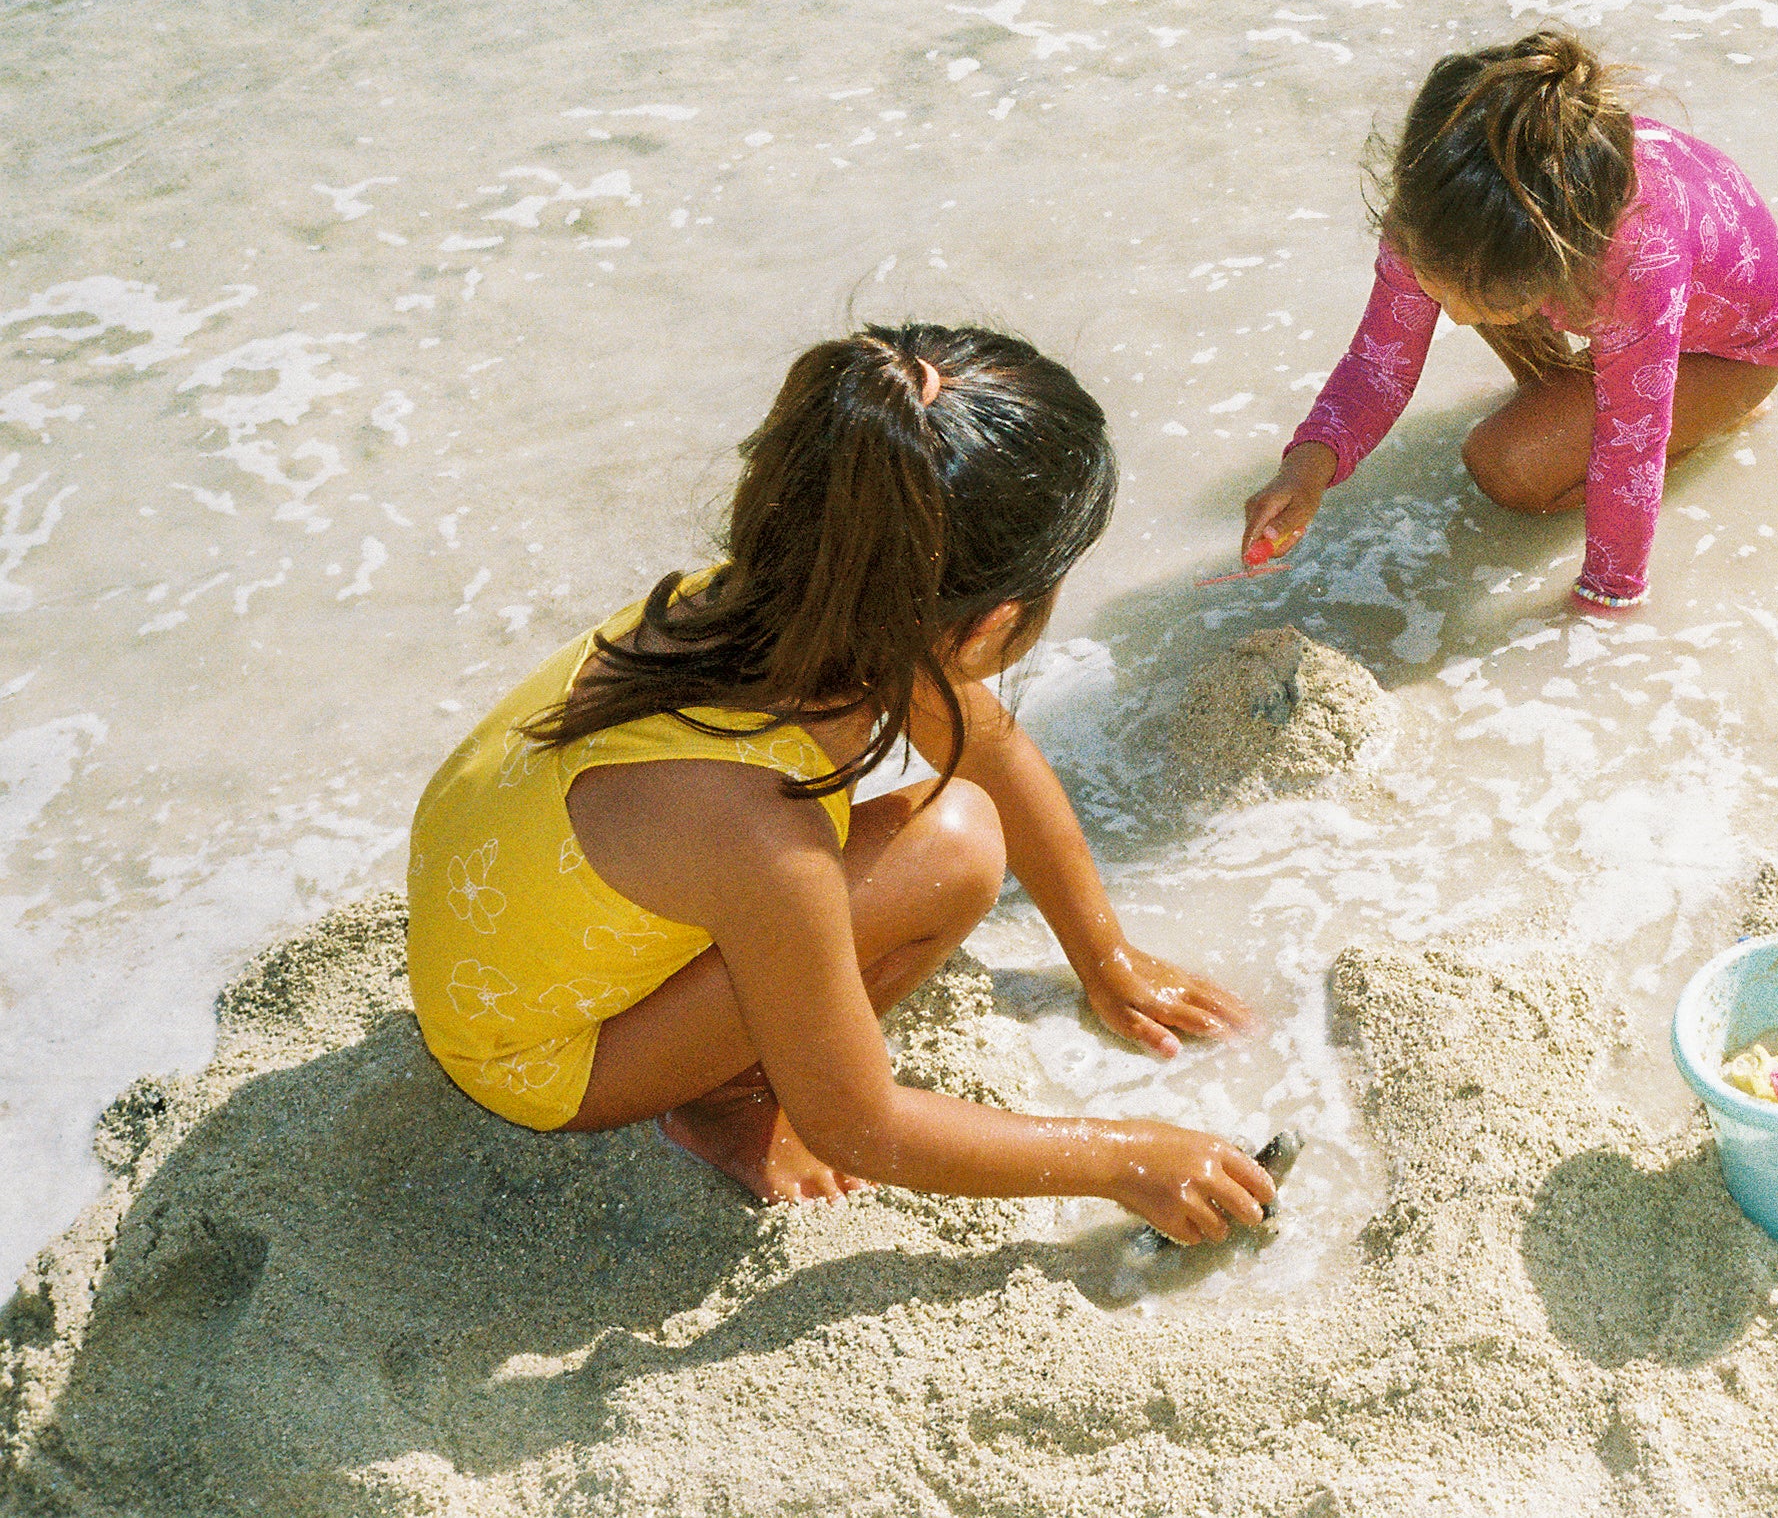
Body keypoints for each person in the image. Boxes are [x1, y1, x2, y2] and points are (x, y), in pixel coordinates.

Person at [406, 325, 1275, 1242]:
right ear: (994, 623)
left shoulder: (786, 598)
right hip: (541, 1060)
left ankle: (723, 1056)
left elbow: (990, 750)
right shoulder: (754, 834)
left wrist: (1106, 958)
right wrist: (1120, 1157)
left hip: (493, 948)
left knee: (960, 824)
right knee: (957, 854)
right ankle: (726, 1101)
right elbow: (860, 1125)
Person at [1243, 31, 1778, 611]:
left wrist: (1606, 599)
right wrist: (1305, 471)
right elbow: (1379, 363)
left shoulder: (1634, 268)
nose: (1454, 319)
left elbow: (1628, 451)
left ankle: (1724, 408)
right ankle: (1570, 391)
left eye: (1471, 300)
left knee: (1507, 468)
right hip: (1569, 265)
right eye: (1441, 289)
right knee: (1485, 296)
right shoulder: (1440, 210)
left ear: (1557, 271)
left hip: (1737, 348)